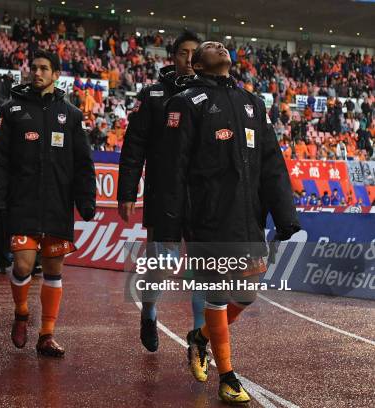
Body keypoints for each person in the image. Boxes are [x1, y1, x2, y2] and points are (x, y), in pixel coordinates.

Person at [158, 42, 300, 403]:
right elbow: (171, 171)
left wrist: (286, 218)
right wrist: (169, 229)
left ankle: (200, 338)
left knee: (247, 294)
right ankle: (227, 376)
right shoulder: (185, 103)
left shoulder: (253, 103)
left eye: (222, 44)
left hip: (247, 215)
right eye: (210, 46)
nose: (219, 46)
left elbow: (272, 163)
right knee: (218, 293)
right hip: (206, 216)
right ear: (197, 63)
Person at [0, 50, 96, 357]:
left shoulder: (72, 115)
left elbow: (83, 163)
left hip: (57, 206)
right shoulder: (11, 111)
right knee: (22, 264)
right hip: (22, 204)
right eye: (33, 67)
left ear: (55, 74)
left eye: (44, 68)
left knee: (53, 271)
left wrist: (86, 200)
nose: (37, 72)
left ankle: (46, 335)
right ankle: (21, 312)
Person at [117, 30, 203, 353]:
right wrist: (127, 192)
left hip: (201, 198)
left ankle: (198, 339)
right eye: (184, 52)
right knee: (161, 266)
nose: (190, 58)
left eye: (196, 52)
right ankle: (149, 313)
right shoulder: (152, 95)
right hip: (163, 195)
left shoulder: (211, 96)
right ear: (173, 56)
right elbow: (134, 145)